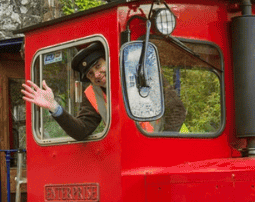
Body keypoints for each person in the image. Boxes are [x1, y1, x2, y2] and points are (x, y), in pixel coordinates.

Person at [22, 40, 186, 141]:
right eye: (91, 74)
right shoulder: (93, 94)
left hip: (172, 143)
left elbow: (176, 110)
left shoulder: (140, 75)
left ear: (108, 61)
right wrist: (54, 107)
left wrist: (163, 141)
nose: (97, 75)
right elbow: (82, 130)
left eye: (99, 66)